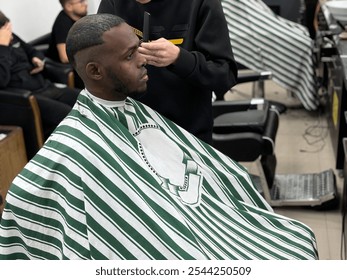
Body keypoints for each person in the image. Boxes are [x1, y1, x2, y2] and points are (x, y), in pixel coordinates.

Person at [0, 14, 318, 260]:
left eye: (139, 49)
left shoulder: (135, 112)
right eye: (129, 56)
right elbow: (25, 199)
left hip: (202, 226)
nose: (143, 59)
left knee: (293, 239)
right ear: (95, 71)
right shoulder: (74, 147)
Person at [97, 0, 238, 144]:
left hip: (187, 134)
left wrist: (179, 58)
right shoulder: (113, 3)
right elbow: (100, 58)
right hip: (129, 129)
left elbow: (224, 75)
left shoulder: (200, 3)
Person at [0, 11, 79, 140]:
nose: (9, 30)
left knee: (87, 100)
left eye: (7, 26)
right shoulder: (3, 42)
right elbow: (2, 80)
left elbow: (32, 50)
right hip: (28, 97)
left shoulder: (11, 36)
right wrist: (2, 46)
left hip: (45, 86)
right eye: (4, 28)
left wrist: (38, 59)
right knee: (69, 115)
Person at [47, 0, 88, 89]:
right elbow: (64, 57)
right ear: (69, 6)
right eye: (81, 1)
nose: (85, 4)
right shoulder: (63, 23)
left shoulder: (82, 18)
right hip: (64, 67)